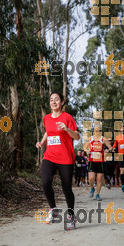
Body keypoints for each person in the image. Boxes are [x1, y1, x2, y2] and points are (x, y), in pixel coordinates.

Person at [36, 92, 80, 230]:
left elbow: (77, 137)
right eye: (51, 100)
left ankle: (71, 216)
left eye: (56, 100)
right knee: (45, 182)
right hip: (50, 155)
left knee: (66, 188)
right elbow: (48, 131)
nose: (54, 102)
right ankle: (53, 209)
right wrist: (42, 142)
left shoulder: (67, 117)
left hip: (65, 157)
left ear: (62, 102)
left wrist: (66, 129)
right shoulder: (46, 118)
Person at [84, 125, 113, 201]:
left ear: (100, 131)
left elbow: (110, 147)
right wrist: (87, 151)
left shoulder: (103, 139)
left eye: (98, 130)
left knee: (99, 179)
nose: (97, 132)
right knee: (91, 178)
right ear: (93, 131)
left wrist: (108, 150)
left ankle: (97, 194)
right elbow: (85, 147)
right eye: (95, 130)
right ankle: (92, 188)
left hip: (101, 161)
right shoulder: (90, 138)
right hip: (92, 161)